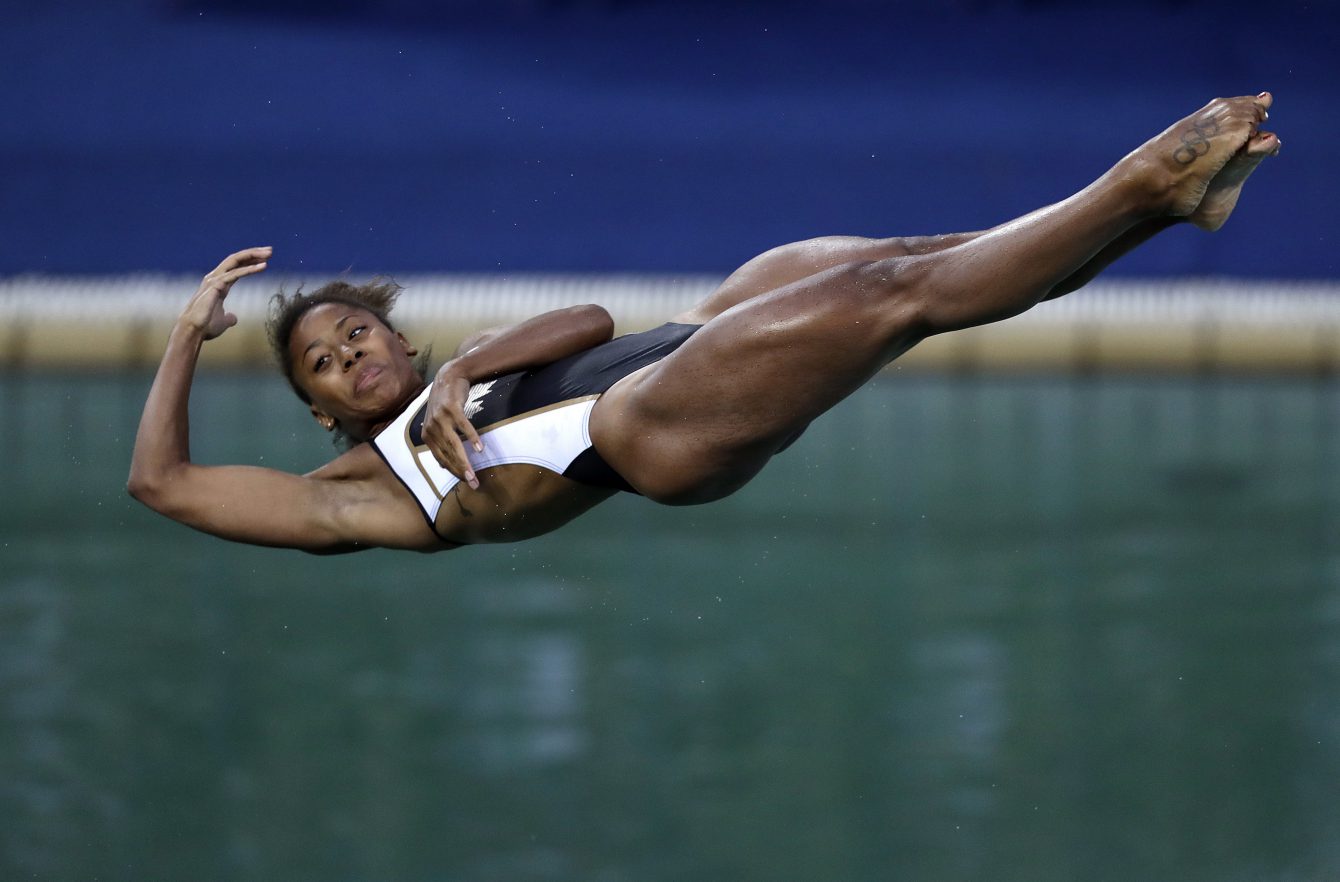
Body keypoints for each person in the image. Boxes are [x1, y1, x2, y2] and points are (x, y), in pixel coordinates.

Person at [128, 94, 1280, 553]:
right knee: (891, 301)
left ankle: (1161, 214)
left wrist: (465, 369)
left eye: (356, 335)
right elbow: (162, 486)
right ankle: (1139, 181)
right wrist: (187, 332)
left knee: (900, 266)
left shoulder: (462, 379)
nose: (349, 357)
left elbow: (589, 314)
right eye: (325, 366)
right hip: (643, 432)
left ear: (400, 342)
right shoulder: (351, 496)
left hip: (682, 337)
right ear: (318, 409)